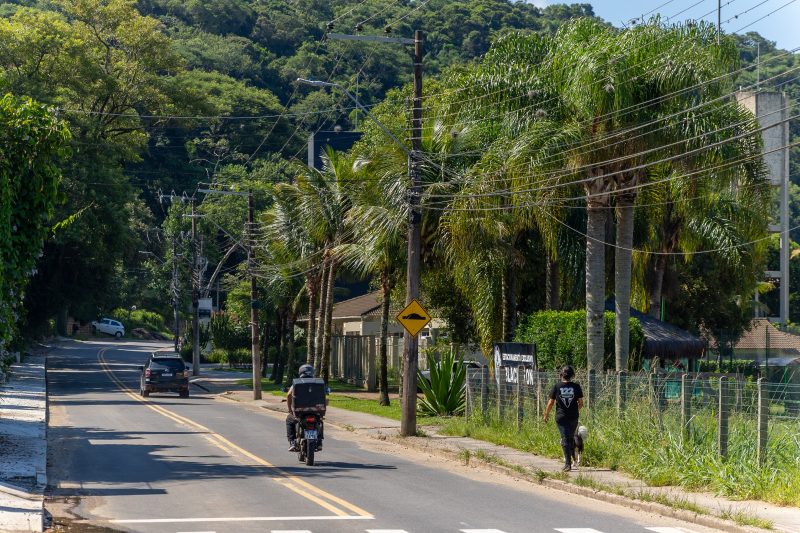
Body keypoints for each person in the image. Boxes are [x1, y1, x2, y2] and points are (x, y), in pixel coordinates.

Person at [543, 365, 584, 472]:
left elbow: (551, 402)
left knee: (566, 438)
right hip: (573, 417)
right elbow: (580, 403)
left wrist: (546, 414)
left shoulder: (557, 386)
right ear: (573, 375)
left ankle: (567, 464)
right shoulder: (576, 387)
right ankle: (570, 462)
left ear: (561, 375)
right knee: (569, 438)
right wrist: (575, 410)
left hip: (561, 417)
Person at [286, 364, 317, 451]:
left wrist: (290, 410)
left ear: (300, 372)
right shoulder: (317, 382)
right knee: (320, 422)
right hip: (316, 412)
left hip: (300, 412)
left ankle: (292, 442)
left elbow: (288, 395)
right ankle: (319, 441)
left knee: (289, 420)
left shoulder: (297, 383)